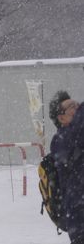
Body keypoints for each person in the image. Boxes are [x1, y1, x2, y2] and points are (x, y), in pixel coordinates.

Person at [48, 91, 84, 244]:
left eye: (77, 104)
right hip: (79, 218)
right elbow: (78, 127)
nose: (77, 107)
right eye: (71, 106)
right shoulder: (60, 140)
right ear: (61, 118)